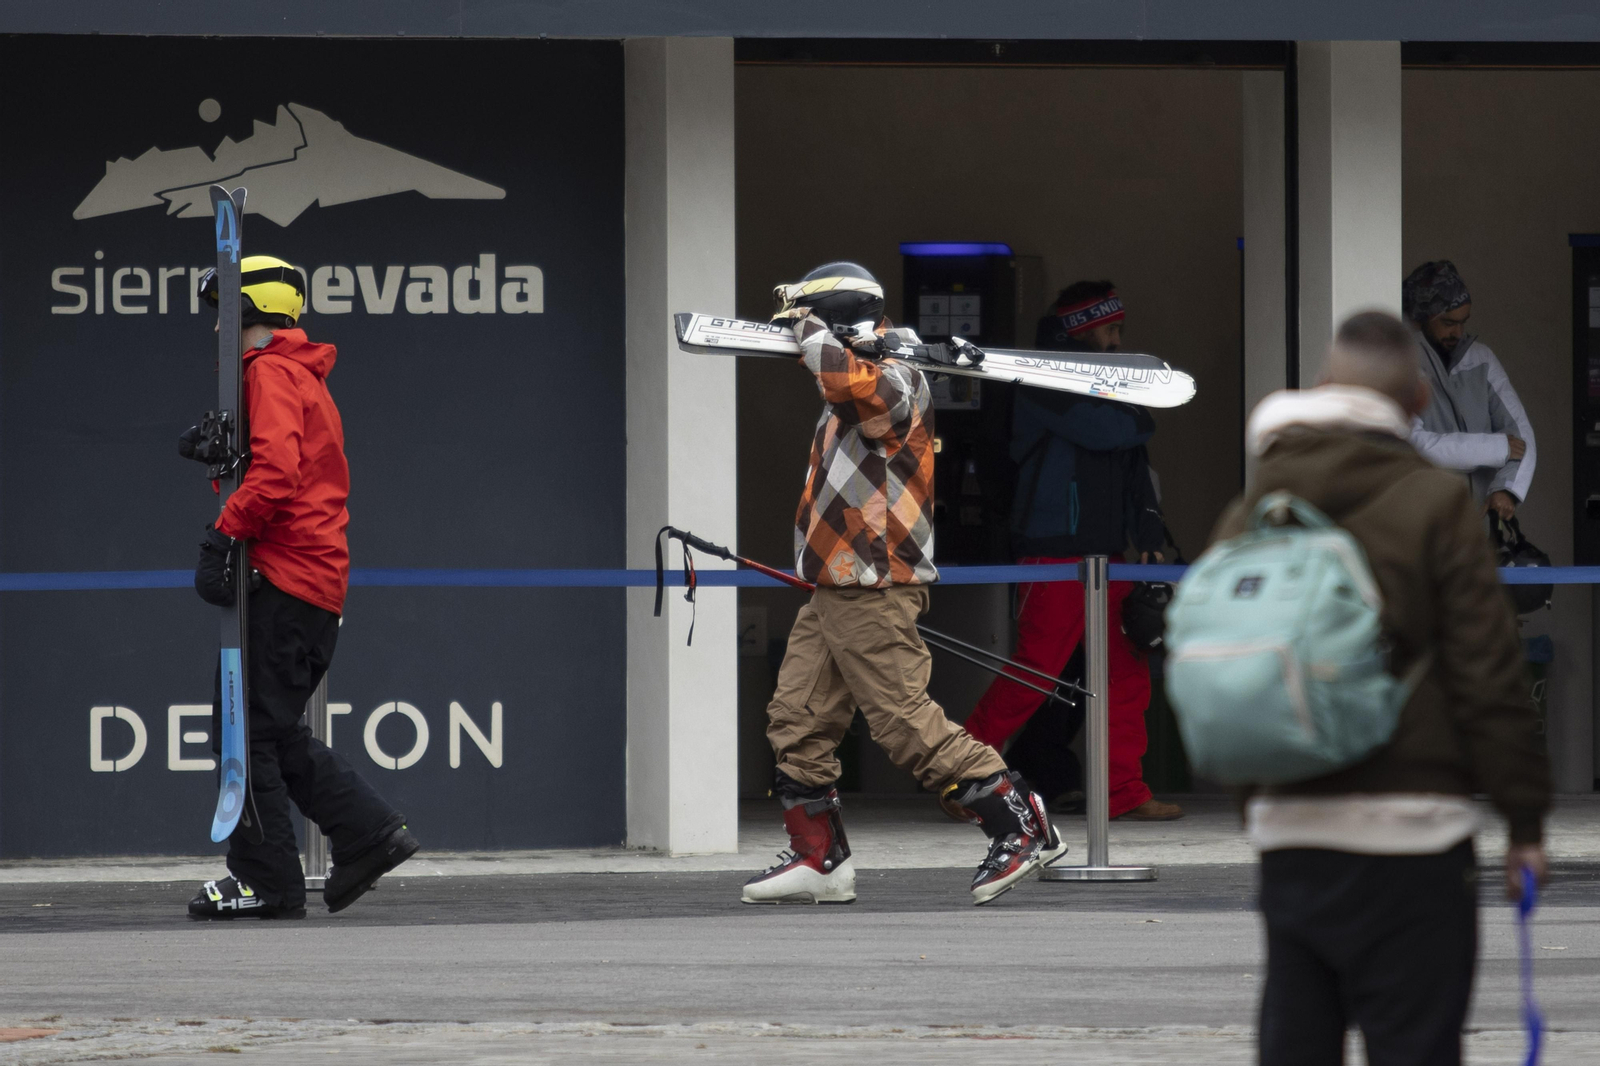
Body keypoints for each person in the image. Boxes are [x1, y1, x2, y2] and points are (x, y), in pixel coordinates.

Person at [1217, 310, 1550, 1065]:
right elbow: (1489, 678)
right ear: (1419, 404)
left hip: (1294, 835)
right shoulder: (1434, 507)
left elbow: (1220, 663)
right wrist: (1524, 823)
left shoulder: (1255, 510)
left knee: (1296, 1045)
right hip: (1416, 837)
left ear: (1326, 386)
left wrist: (1262, 802)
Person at [744, 261, 1066, 907]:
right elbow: (840, 379)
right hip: (836, 582)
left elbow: (849, 384)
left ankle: (1021, 823)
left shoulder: (901, 380)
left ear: (835, 317)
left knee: (901, 718)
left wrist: (812, 334)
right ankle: (820, 858)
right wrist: (823, 338)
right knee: (798, 717)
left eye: (808, 321)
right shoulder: (863, 375)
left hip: (873, 579)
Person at [185, 256, 418, 920]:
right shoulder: (298, 375)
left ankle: (267, 880)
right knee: (263, 726)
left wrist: (223, 535)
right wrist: (220, 455)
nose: (216, 331)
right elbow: (281, 464)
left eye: (222, 315)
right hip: (309, 584)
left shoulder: (271, 372)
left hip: (287, 580)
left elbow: (281, 473)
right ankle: (367, 834)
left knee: (244, 729)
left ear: (250, 312)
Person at [960, 281, 1182, 821]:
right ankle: (959, 775)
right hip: (1051, 554)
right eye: (1109, 331)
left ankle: (1124, 792)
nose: (1118, 341)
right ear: (1080, 335)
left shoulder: (1108, 387)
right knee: (1035, 672)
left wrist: (1152, 538)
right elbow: (1112, 430)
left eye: (1120, 330)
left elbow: (1136, 471)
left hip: (1112, 557)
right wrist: (1136, 408)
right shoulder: (1042, 381)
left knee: (1127, 677)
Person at [1404, 260, 1535, 521]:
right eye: (1448, 323)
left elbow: (1522, 436)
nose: (1458, 332)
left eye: (1463, 322)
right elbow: (1414, 446)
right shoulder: (1400, 364)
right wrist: (1497, 448)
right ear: (1421, 319)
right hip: (1421, 529)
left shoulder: (1481, 358)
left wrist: (1506, 490)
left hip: (1476, 534)